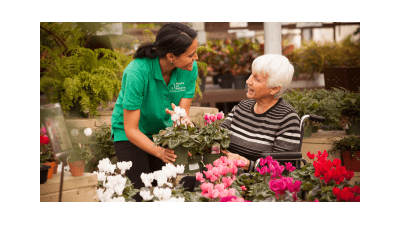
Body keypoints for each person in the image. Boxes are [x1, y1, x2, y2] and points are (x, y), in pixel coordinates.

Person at [111, 22, 198, 202]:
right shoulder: (137, 72)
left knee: (162, 192)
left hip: (162, 132)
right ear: (171, 56)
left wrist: (185, 135)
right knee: (139, 193)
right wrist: (159, 152)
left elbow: (183, 115)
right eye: (191, 55)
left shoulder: (189, 69)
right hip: (131, 134)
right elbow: (131, 129)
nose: (195, 58)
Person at [219, 54, 301, 173]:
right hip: (226, 175)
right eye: (251, 75)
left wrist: (246, 164)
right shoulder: (242, 107)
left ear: (274, 89)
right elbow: (218, 135)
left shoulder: (288, 119)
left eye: (256, 79)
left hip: (259, 185)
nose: (248, 81)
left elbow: (281, 168)